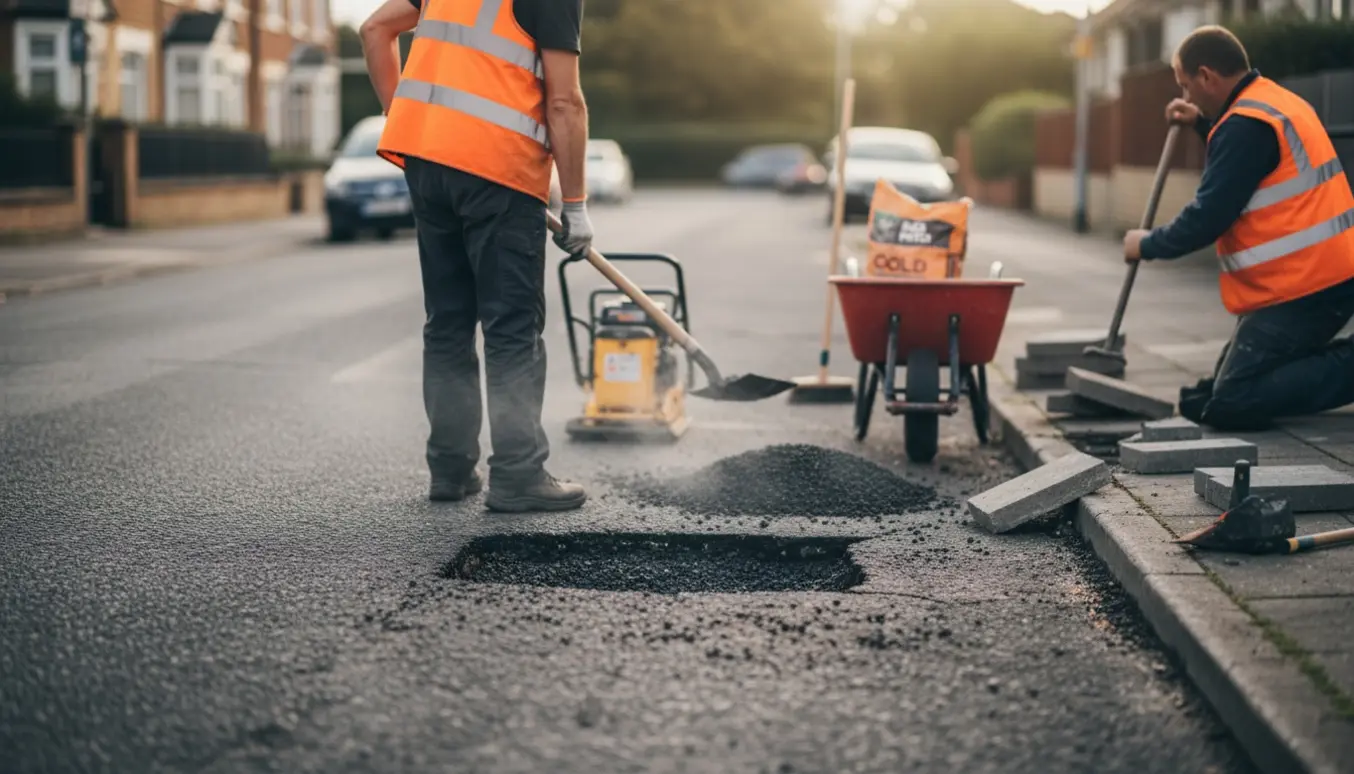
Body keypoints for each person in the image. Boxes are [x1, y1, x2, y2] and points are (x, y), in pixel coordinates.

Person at [359, 0, 593, 510]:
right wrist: (575, 204)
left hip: (427, 161)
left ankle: (449, 470)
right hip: (499, 168)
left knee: (447, 322)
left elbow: (374, 29)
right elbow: (564, 103)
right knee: (511, 328)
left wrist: (408, 119)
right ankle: (518, 474)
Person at [1122, 25, 1354, 431]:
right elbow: (1250, 163)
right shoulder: (1271, 102)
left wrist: (1147, 244)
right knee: (1209, 398)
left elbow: (1206, 218)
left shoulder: (1244, 126)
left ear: (1207, 76)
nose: (1185, 95)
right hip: (1314, 276)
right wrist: (1199, 122)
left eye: (1185, 85)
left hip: (1308, 286)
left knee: (1234, 399)